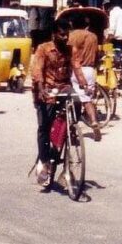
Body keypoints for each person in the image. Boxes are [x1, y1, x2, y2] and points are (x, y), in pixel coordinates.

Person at [31, 21, 89, 188]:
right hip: (47, 89)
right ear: (54, 34)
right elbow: (37, 70)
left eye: (67, 35)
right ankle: (43, 161)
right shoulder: (43, 49)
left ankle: (69, 131)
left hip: (64, 87)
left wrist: (84, 83)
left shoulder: (71, 49)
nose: (65, 38)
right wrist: (41, 87)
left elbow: (77, 68)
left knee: (78, 101)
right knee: (44, 127)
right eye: (62, 34)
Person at [68, 12, 103, 135]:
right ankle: (93, 121)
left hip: (76, 70)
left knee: (73, 99)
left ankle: (72, 128)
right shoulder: (93, 37)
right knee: (87, 99)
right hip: (90, 70)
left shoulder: (71, 36)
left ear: (72, 24)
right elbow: (97, 54)